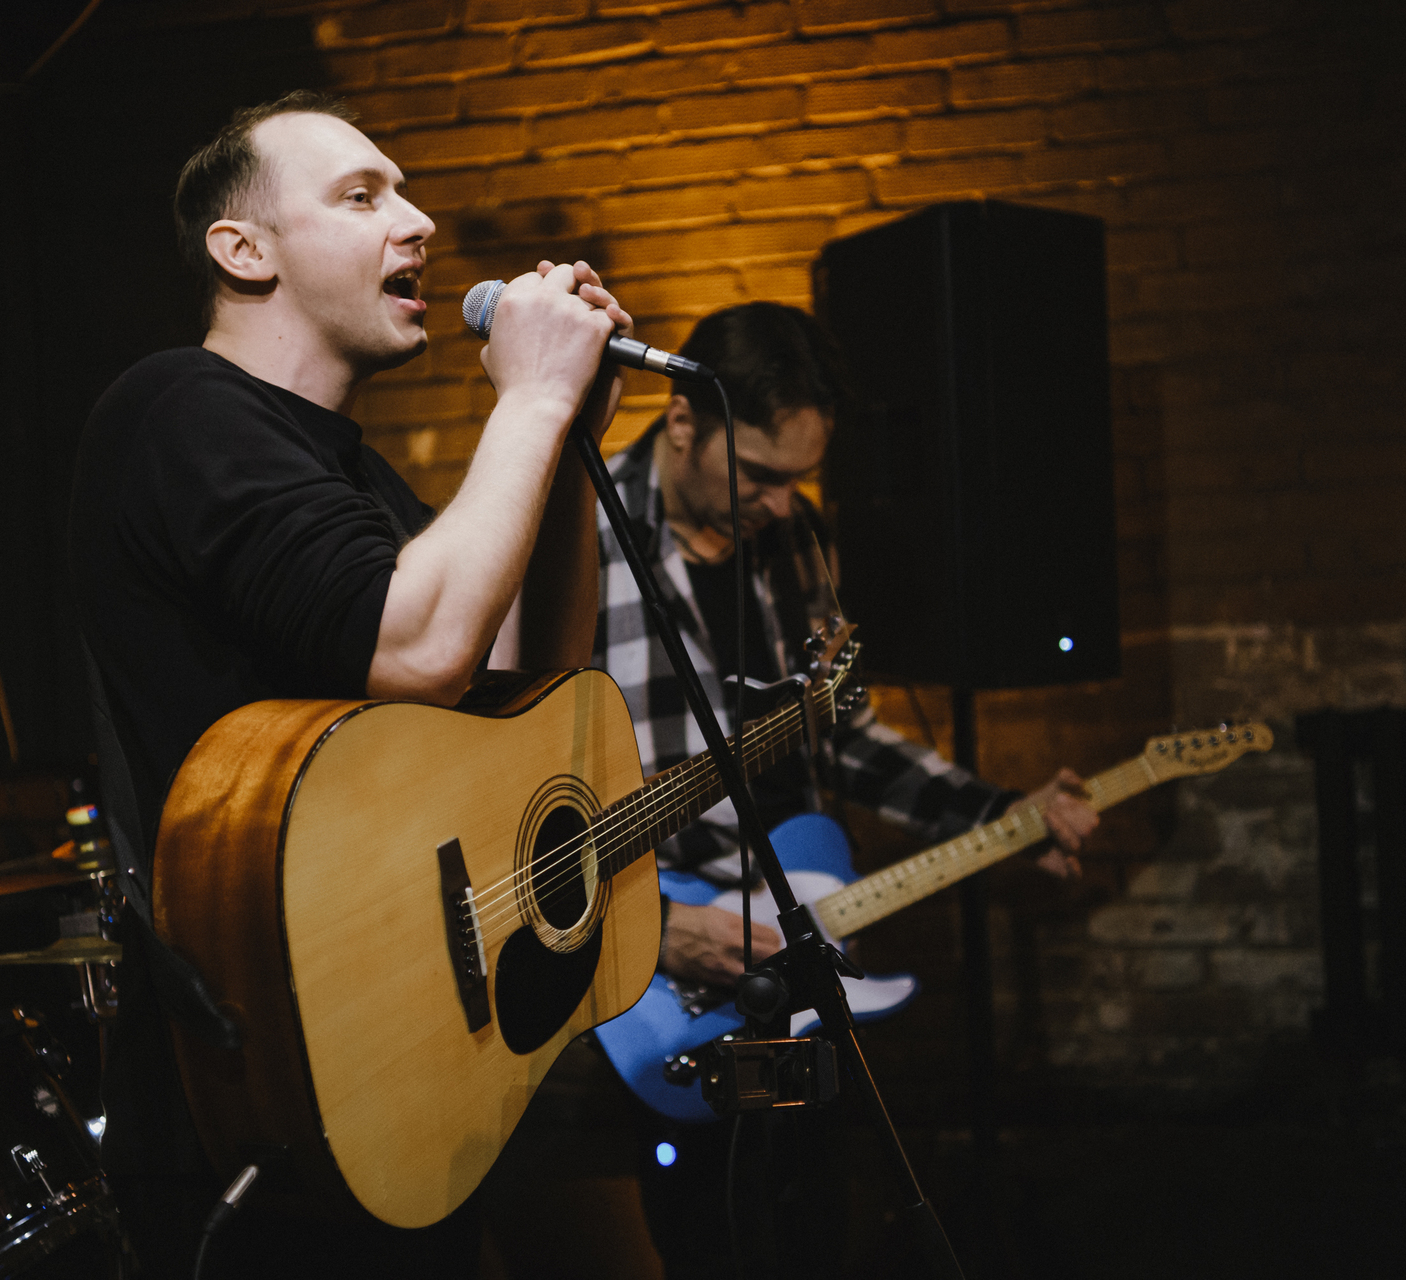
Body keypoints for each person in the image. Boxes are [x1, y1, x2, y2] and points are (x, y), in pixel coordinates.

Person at [67, 89, 629, 1277]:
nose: (416, 223)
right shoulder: (179, 410)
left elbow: (529, 680)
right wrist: (528, 397)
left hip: (394, 1052)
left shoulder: (353, 479)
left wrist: (570, 440)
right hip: (255, 1086)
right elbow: (418, 647)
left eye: (405, 194)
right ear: (245, 250)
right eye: (363, 195)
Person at [590, 301, 1100, 1274]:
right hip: (666, 962)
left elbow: (842, 734)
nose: (784, 504)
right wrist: (652, 929)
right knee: (707, 1235)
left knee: (816, 1219)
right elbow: (525, 800)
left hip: (806, 933)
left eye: (800, 479)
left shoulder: (795, 537)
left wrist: (999, 814)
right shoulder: (580, 538)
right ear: (683, 422)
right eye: (761, 474)